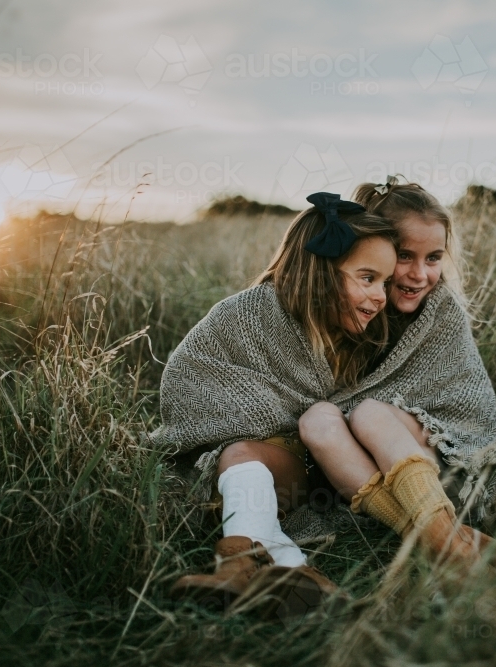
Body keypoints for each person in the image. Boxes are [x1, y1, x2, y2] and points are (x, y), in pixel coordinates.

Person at [298, 177, 496, 577]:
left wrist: (360, 411)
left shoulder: (441, 315)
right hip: (355, 470)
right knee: (316, 419)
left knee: (369, 413)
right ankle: (452, 545)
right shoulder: (348, 303)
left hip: (439, 463)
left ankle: (446, 538)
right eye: (405, 255)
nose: (419, 274)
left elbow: (468, 411)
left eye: (434, 258)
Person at [155, 192, 398, 607]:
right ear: (320, 272)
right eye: (367, 278)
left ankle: (235, 567)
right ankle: (291, 569)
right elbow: (189, 376)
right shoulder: (248, 314)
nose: (381, 297)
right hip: (211, 469)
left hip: (301, 468)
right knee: (236, 451)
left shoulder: (364, 339)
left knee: (242, 452)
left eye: (386, 283)